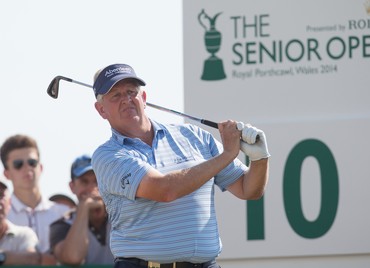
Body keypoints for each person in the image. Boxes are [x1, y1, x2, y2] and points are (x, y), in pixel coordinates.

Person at [91, 63, 270, 268]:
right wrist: (228, 154)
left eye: (132, 91)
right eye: (115, 95)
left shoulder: (194, 136)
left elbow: (248, 189)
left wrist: (260, 159)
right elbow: (165, 190)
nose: (127, 99)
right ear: (101, 109)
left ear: (144, 98)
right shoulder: (107, 156)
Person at [0, 134, 70, 265]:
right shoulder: (2, 215)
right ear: (6, 174)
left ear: (41, 167)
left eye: (32, 162)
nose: (27, 168)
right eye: (18, 164)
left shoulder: (63, 213)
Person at [49, 154, 114, 265]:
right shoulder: (62, 224)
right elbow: (73, 258)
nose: (92, 189)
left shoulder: (121, 217)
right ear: (72, 186)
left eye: (97, 181)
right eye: (84, 182)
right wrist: (83, 208)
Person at [0, 177, 42, 265]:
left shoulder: (24, 234)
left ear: (9, 203)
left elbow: (33, 258)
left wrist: (2, 257)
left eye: (1, 195)